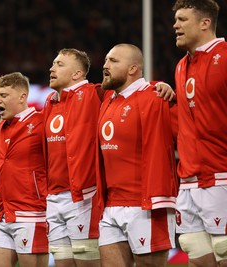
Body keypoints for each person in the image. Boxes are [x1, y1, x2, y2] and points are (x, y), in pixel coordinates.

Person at [96, 43, 178, 267]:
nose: (105, 65)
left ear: (133, 68)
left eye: (113, 61)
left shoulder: (156, 97)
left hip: (146, 205)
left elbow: (191, 133)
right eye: (105, 60)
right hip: (110, 206)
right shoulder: (107, 101)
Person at [172, 1, 227, 266]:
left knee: (223, 251)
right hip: (189, 178)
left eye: (182, 19)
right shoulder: (181, 66)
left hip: (221, 175)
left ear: (205, 23)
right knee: (193, 248)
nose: (175, 25)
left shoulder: (225, 56)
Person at [43, 48, 103, 267]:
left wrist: (157, 86)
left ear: (77, 74)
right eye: (53, 63)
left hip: (83, 197)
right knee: (62, 263)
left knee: (87, 262)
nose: (52, 68)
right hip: (54, 196)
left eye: (59, 64)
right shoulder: (51, 101)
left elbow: (129, 91)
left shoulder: (94, 93)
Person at [0, 72, 48, 267]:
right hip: (1, 213)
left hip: (31, 213)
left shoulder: (41, 122)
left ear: (22, 97)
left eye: (4, 95)